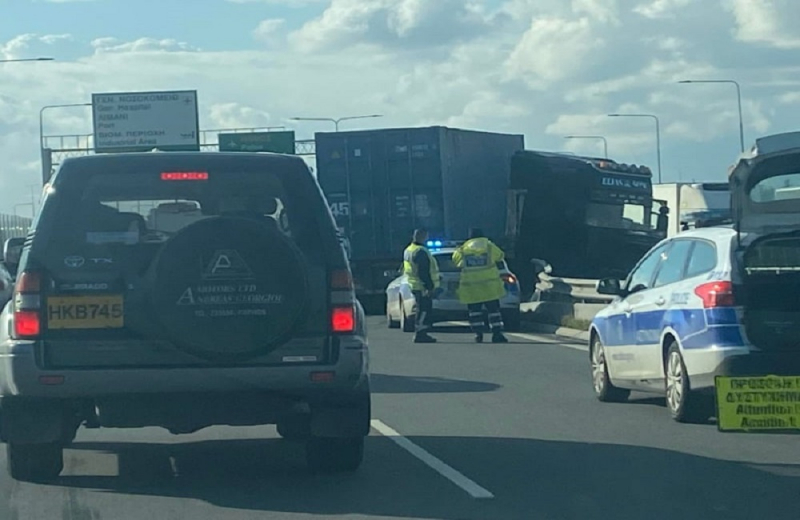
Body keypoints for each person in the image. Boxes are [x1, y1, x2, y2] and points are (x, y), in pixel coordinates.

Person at [452, 228, 508, 344]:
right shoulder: (489, 246)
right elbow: (500, 256)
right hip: (489, 286)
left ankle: (478, 334)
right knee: (494, 312)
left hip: (472, 288)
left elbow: (455, 260)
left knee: (475, 312)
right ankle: (497, 334)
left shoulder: (463, 249)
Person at [402, 229, 440, 344]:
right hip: (422, 285)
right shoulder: (420, 251)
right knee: (424, 310)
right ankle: (420, 333)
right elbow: (423, 271)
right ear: (423, 236)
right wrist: (429, 286)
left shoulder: (409, 249)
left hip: (414, 283)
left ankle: (421, 332)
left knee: (421, 308)